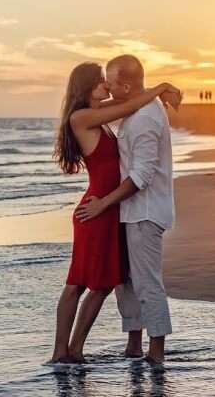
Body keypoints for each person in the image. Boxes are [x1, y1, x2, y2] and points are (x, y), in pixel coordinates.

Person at [50, 62, 181, 364]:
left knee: (99, 282)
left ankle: (72, 351)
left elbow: (129, 97)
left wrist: (155, 90)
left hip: (109, 208)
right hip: (97, 209)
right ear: (86, 88)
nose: (106, 87)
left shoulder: (98, 113)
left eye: (107, 81)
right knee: (81, 283)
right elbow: (131, 101)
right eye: (100, 82)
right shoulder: (83, 117)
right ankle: (64, 352)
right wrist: (161, 87)